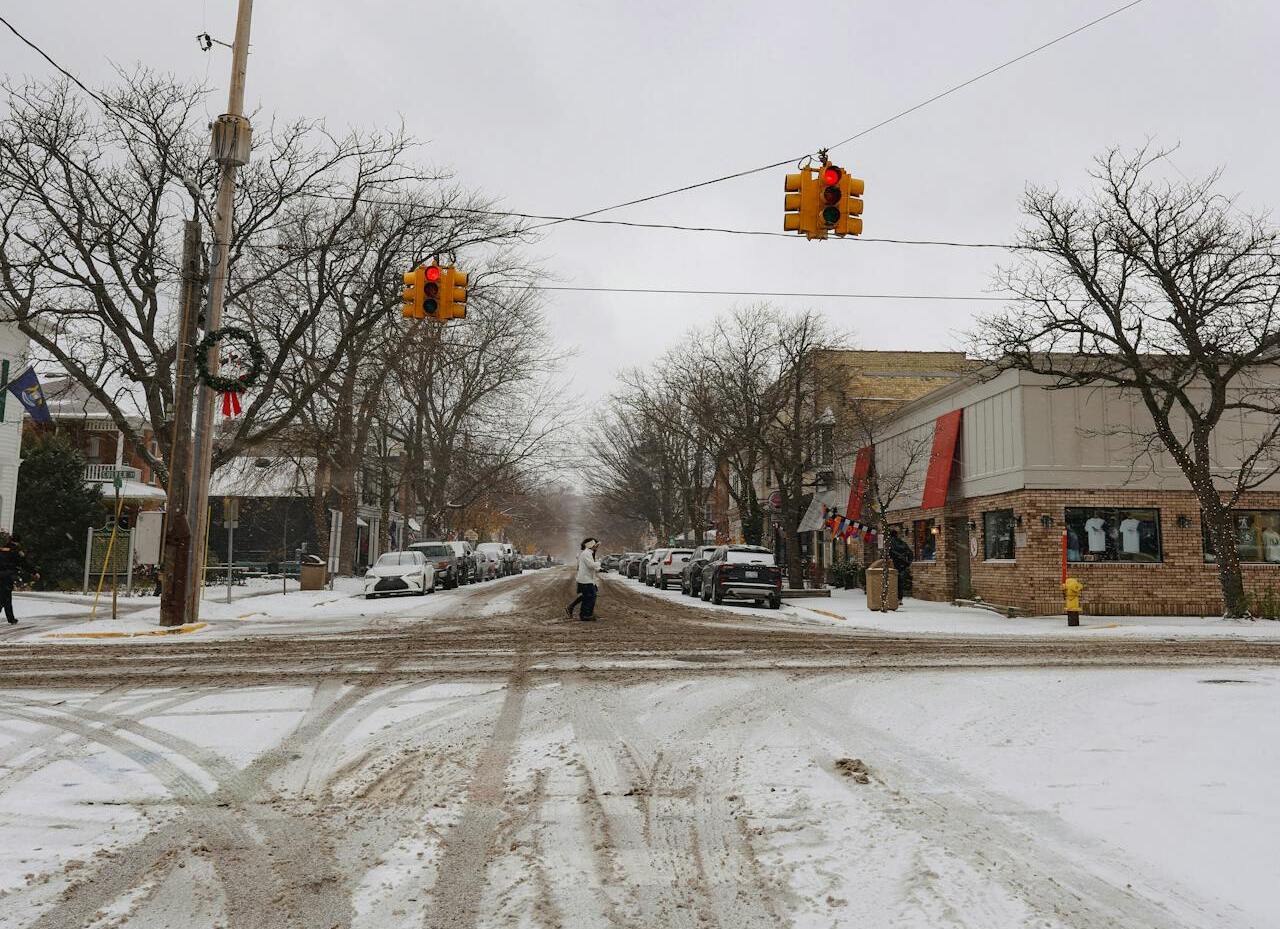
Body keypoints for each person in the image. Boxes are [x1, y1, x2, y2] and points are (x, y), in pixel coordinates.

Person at [0, 532, 38, 625]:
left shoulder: (2, 549)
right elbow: (24, 563)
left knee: (3, 596)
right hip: (7, 576)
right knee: (6, 597)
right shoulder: (16, 551)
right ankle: (11, 619)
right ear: (18, 542)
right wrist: (34, 572)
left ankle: (11, 618)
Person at [566, 537, 601, 621]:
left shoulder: (589, 553)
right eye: (596, 545)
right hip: (585, 579)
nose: (597, 547)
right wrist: (599, 563)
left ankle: (581, 611)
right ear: (591, 545)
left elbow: (591, 565)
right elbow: (590, 565)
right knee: (590, 596)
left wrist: (599, 568)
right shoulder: (586, 553)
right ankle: (585, 615)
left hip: (588, 578)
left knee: (589, 595)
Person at [887, 528, 914, 599]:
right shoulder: (902, 542)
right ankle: (899, 598)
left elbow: (887, 554)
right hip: (902, 565)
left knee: (892, 581)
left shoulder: (889, 543)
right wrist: (908, 563)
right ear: (896, 535)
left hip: (893, 564)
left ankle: (893, 598)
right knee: (900, 581)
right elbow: (910, 553)